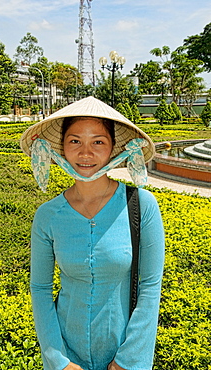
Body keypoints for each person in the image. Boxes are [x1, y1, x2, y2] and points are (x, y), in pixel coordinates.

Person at [20, 96, 165, 370]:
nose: (86, 153)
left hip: (124, 355)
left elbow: (150, 286)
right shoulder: (48, 215)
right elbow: (40, 288)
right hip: (66, 354)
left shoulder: (142, 206)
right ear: (61, 148)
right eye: (75, 141)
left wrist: (128, 360)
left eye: (98, 142)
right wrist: (59, 360)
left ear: (113, 149)